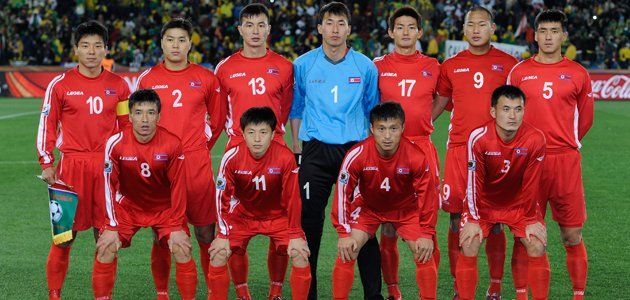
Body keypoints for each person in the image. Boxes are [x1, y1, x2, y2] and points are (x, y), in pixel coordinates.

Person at [288, 2, 382, 299]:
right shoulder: (303, 64)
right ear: (319, 28)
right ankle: (309, 293)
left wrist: (368, 152)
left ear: (349, 29)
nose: (335, 29)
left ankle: (373, 294)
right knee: (308, 224)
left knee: (362, 223)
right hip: (315, 152)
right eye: (329, 23)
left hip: (353, 151)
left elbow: (372, 111)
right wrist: (297, 148)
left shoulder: (365, 66)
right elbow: (296, 108)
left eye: (341, 23)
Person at [36, 20, 130, 300]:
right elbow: (47, 124)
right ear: (76, 49)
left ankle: (103, 296)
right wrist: (46, 161)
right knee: (64, 238)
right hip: (71, 169)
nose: (92, 51)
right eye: (86, 46)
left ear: (106, 50)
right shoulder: (60, 84)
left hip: (106, 170)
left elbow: (126, 127)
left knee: (106, 239)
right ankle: (55, 294)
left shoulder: (120, 86)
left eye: (98, 46)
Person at [431, 6, 518, 299]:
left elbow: (517, 108)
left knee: (493, 222)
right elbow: (441, 104)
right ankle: (461, 286)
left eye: (483, 24)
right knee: (456, 217)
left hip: (495, 152)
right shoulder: (450, 65)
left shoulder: (508, 64)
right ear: (464, 29)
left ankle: (494, 286)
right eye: (472, 25)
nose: (477, 29)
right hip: (458, 150)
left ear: (493, 28)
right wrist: (413, 127)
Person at [507, 10, 594, 300]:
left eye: (554, 31)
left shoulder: (578, 73)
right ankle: (523, 295)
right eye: (542, 31)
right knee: (525, 235)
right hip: (527, 161)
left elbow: (586, 120)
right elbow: (507, 116)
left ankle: (578, 295)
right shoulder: (519, 72)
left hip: (565, 161)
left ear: (563, 36)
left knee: (572, 235)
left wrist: (564, 143)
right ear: (535, 35)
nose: (548, 36)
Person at [135, 18, 222, 297]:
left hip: (196, 163)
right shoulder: (147, 79)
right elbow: (135, 120)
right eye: (170, 39)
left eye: (181, 40)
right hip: (159, 166)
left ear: (190, 43)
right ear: (161, 43)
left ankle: (212, 289)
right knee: (162, 235)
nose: (175, 45)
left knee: (206, 232)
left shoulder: (207, 79)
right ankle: (162, 292)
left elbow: (218, 119)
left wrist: (200, 147)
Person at [213, 5, 294, 297]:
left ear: (269, 29)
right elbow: (219, 113)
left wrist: (276, 140)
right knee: (236, 226)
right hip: (238, 155)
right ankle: (242, 290)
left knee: (280, 224)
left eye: (261, 25)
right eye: (250, 25)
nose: (256, 31)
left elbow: (285, 109)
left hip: (276, 154)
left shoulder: (284, 66)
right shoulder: (225, 68)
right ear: (240, 30)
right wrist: (238, 142)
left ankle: (276, 289)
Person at [93, 89, 197, 300]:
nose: (145, 119)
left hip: (164, 207)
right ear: (130, 116)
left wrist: (176, 225)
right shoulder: (115, 143)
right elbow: (108, 185)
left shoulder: (172, 143)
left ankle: (165, 294)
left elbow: (178, 187)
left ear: (159, 116)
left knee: (182, 247)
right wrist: (112, 226)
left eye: (151, 113)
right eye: (139, 113)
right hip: (128, 206)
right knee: (105, 247)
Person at [331, 102, 437, 300]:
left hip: (405, 209)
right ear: (371, 128)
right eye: (381, 128)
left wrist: (427, 232)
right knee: (348, 249)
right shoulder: (357, 154)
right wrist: (343, 232)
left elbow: (427, 196)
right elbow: (342, 193)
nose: (387, 136)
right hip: (368, 208)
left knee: (424, 252)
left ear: (403, 128)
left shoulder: (416, 156)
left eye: (393, 128)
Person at [207, 107, 312, 300]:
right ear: (243, 134)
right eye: (251, 133)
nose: (257, 139)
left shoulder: (285, 157)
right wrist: (223, 233)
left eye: (263, 133)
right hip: (242, 215)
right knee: (218, 252)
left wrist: (296, 233)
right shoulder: (231, 157)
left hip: (278, 216)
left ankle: (276, 293)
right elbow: (221, 196)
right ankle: (242, 294)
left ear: (273, 135)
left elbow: (293, 198)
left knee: (299, 252)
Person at [372, 6, 441, 299]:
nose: (405, 32)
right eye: (399, 27)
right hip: (387, 150)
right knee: (387, 225)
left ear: (420, 32)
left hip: (422, 147)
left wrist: (425, 120)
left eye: (411, 27)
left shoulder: (434, 66)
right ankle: (393, 290)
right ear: (390, 32)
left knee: (428, 223)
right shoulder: (376, 65)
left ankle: (429, 293)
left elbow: (443, 99)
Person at [456, 85, 549, 300]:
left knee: (536, 243)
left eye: (518, 109)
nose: (512, 116)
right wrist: (473, 218)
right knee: (469, 243)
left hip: (519, 205)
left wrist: (530, 219)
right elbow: (473, 181)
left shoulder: (536, 139)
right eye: (506, 109)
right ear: (493, 112)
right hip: (484, 204)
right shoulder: (478, 137)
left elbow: (532, 184)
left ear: (524, 111)